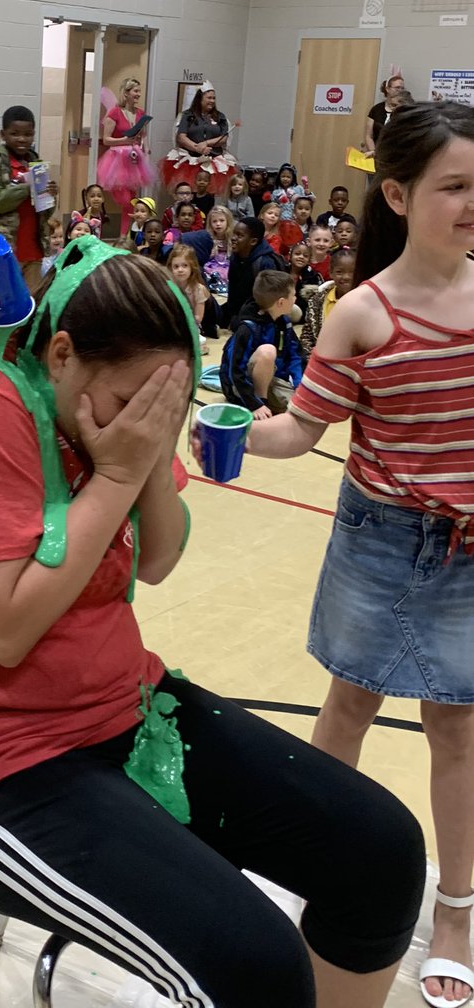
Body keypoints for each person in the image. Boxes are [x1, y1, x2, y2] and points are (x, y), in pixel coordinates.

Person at [0, 236, 425, 1008]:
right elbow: (3, 629)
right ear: (60, 354)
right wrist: (123, 474)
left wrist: (149, 451)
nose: (142, 418)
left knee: (382, 853)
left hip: (120, 715)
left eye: (161, 401)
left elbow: (158, 557)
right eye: (133, 398)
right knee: (253, 965)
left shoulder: (120, 419)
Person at [246, 100, 474, 1008]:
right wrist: (233, 434)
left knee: (456, 728)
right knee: (346, 707)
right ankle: (320, 871)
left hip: (463, 556)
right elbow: (304, 431)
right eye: (454, 186)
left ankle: (455, 911)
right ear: (399, 192)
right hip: (377, 543)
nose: (470, 204)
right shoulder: (360, 314)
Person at [0, 104, 58, 291]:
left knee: (33, 304)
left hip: (34, 250)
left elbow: (43, 211)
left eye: (28, 134)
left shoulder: (36, 162)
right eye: (15, 134)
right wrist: (26, 188)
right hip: (4, 250)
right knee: (5, 302)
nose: (22, 139)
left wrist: (50, 195)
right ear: (3, 134)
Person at [220, 270, 304, 418]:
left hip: (270, 378)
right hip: (239, 385)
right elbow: (235, 371)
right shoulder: (247, 328)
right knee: (268, 351)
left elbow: (296, 355)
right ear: (281, 302)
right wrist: (255, 404)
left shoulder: (284, 323)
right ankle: (261, 403)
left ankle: (265, 402)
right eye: (293, 295)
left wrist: (299, 385)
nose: (296, 298)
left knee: (300, 407)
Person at [161, 81, 237, 196]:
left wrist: (206, 143)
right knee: (191, 193)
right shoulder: (188, 115)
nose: (212, 101)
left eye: (214, 98)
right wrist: (197, 148)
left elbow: (223, 138)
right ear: (200, 98)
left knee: (208, 196)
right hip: (191, 160)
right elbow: (181, 137)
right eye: (209, 98)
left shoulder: (220, 116)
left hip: (213, 160)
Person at [97, 79, 154, 230]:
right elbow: (106, 139)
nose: (138, 94)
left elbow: (143, 135)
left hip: (134, 160)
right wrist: (124, 140)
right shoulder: (115, 112)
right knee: (126, 201)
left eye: (139, 91)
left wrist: (146, 148)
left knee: (133, 201)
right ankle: (125, 234)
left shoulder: (140, 113)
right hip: (117, 160)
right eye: (135, 91)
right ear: (127, 93)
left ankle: (126, 235)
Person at [222, 217, 281, 329]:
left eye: (239, 236)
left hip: (260, 310)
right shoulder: (236, 256)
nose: (233, 238)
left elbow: (268, 301)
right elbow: (233, 290)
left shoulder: (265, 263)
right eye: (234, 233)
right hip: (241, 306)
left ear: (253, 241)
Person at [298, 247, 356, 358]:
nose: (346, 277)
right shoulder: (318, 301)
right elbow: (307, 335)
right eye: (339, 272)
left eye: (351, 272)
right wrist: (312, 357)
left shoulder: (366, 301)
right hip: (321, 360)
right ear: (331, 273)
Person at [167, 244, 209, 353]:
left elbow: (198, 317)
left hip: (190, 325)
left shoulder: (198, 289)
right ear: (170, 268)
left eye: (185, 266)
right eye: (176, 267)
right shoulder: (168, 287)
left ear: (192, 267)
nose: (180, 270)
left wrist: (185, 319)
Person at [363, 72, 407, 158]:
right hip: (377, 156)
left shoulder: (406, 110)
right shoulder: (376, 109)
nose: (400, 91)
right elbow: (369, 135)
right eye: (397, 88)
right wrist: (374, 152)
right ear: (387, 89)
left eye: (402, 88)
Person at [289, 240, 324, 323]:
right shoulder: (281, 270)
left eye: (305, 256)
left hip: (303, 316)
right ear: (290, 256)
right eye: (297, 254)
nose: (301, 257)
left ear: (309, 260)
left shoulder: (313, 276)